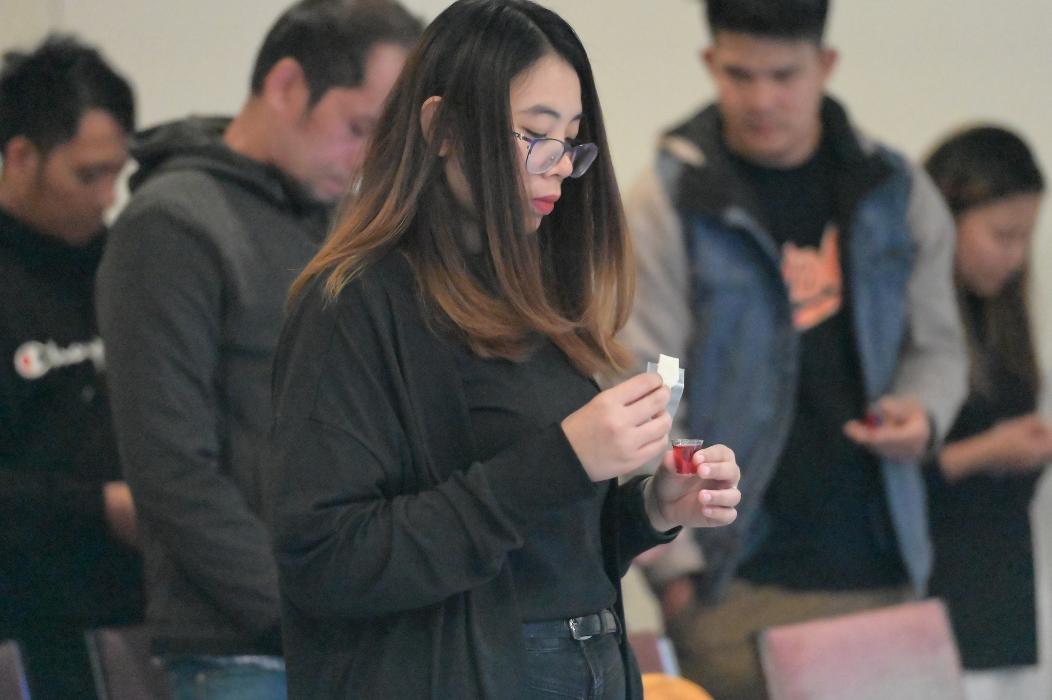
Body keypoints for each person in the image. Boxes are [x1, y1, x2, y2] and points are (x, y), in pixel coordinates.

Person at [266, 1, 742, 698]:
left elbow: (542, 552)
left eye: (572, 141)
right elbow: (328, 560)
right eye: (535, 135)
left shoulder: (533, 296)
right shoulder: (357, 302)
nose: (560, 167)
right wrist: (563, 459)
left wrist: (653, 509)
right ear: (442, 128)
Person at [620, 1, 968, 697]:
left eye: (784, 75)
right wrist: (678, 572)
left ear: (826, 65)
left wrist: (924, 412)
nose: (761, 99)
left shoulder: (892, 190)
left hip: (884, 571)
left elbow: (937, 346)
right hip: (733, 585)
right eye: (739, 74)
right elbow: (653, 381)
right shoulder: (672, 200)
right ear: (710, 62)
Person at [95, 2, 421, 697]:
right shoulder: (172, 225)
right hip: (242, 651)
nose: (367, 160)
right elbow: (170, 471)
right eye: (359, 128)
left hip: (360, 640)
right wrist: (306, 612)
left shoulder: (343, 224)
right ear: (286, 86)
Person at [0, 36, 142, 699]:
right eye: (88, 176)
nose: (108, 197)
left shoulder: (129, 265)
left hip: (143, 610)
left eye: (118, 173)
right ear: (21, 156)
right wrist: (97, 506)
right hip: (25, 622)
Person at [923, 126, 1051, 700]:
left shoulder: (1003, 319)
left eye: (1026, 238)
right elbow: (871, 482)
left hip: (1004, 592)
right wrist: (985, 452)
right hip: (932, 592)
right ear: (944, 219)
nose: (1017, 256)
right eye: (1003, 236)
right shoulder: (906, 328)